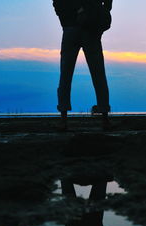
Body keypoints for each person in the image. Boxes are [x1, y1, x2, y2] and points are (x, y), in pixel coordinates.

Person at [52, 0, 113, 130]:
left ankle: (63, 119)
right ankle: (105, 118)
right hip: (84, 29)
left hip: (78, 28)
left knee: (66, 75)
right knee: (98, 74)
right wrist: (103, 12)